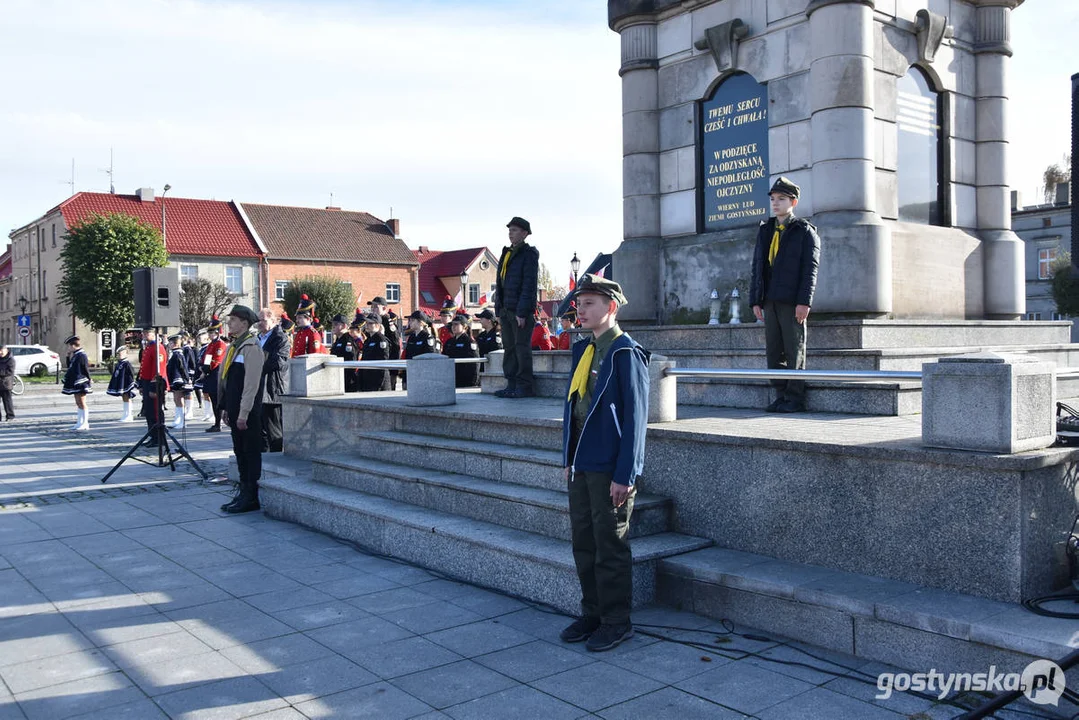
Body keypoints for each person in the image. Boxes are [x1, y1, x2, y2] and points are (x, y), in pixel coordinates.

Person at [559, 274, 650, 653]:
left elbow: (636, 419)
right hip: (582, 464)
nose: (580, 309)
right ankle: (592, 612)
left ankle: (616, 620)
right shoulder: (584, 350)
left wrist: (625, 474)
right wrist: (567, 458)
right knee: (584, 540)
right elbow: (572, 409)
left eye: (590, 303)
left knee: (610, 544)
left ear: (611, 307)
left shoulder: (626, 352)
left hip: (609, 466)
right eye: (579, 303)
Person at [749, 176, 821, 413]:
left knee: (794, 349)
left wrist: (804, 302)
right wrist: (755, 300)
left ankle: (795, 398)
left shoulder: (804, 231)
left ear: (794, 202)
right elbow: (757, 267)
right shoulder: (766, 229)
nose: (775, 203)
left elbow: (810, 270)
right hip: (769, 300)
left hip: (792, 302)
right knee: (774, 351)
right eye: (773, 199)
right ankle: (781, 395)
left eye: (781, 199)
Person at [219, 305, 266, 514]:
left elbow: (251, 385)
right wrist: (225, 408)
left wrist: (244, 412)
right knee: (239, 451)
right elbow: (228, 381)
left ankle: (251, 496)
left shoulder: (251, 348)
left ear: (245, 324)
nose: (229, 323)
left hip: (247, 413)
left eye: (233, 320)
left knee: (250, 452)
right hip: (235, 409)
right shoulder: (234, 346)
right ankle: (243, 492)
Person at [494, 216, 540, 398]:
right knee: (509, 347)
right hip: (506, 309)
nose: (510, 233)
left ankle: (524, 385)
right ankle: (511, 383)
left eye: (514, 230)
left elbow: (529, 284)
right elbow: (500, 283)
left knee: (522, 348)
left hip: (520, 311)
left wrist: (522, 312)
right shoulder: (506, 253)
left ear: (524, 233)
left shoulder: (528, 253)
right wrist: (498, 310)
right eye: (509, 230)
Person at [257, 307, 291, 453]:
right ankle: (262, 462)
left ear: (273, 321)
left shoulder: (280, 338)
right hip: (257, 390)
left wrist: (255, 367)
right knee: (259, 431)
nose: (259, 323)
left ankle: (276, 460)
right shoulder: (257, 338)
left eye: (263, 320)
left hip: (272, 390)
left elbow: (279, 361)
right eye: (258, 320)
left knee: (274, 431)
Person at [137, 328, 169, 445]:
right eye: (144, 333)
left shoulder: (158, 348)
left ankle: (159, 438)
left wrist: (152, 386)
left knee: (155, 412)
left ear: (154, 334)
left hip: (154, 383)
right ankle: (153, 436)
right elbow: (144, 367)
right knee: (149, 412)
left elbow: (158, 370)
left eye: (147, 333)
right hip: (146, 382)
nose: (144, 335)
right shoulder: (149, 347)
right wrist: (141, 384)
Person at [200, 318, 228, 431]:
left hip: (216, 374)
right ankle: (217, 423)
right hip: (209, 374)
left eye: (212, 332)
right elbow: (206, 358)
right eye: (209, 332)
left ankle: (218, 423)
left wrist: (205, 370)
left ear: (217, 332)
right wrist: (202, 368)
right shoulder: (211, 344)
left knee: (217, 400)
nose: (210, 335)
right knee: (213, 399)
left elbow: (216, 360)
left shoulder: (220, 344)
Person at [368, 296, 402, 390]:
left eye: (375, 307)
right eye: (372, 307)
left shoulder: (388, 323)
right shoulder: (372, 322)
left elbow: (395, 346)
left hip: (387, 364)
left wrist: (393, 368)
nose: (373, 309)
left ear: (384, 308)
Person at [61, 335, 93, 431]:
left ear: (73, 346)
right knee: (78, 402)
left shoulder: (82, 355)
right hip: (75, 380)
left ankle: (85, 423)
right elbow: (70, 367)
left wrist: (89, 378)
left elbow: (85, 368)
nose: (69, 348)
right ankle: (79, 422)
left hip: (81, 381)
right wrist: (67, 357)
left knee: (82, 402)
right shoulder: (75, 355)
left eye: (69, 346)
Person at [442, 314, 480, 387]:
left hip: (465, 380)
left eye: (456, 324)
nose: (453, 327)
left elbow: (475, 363)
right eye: (452, 324)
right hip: (452, 378)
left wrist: (473, 381)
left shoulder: (469, 342)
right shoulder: (449, 342)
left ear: (464, 326)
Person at [359, 314, 391, 392]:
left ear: (377, 325)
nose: (367, 325)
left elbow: (383, 361)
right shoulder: (368, 340)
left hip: (378, 379)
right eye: (366, 323)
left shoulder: (381, 340)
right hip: (368, 378)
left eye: (370, 323)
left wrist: (379, 382)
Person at [166, 334, 193, 429]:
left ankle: (182, 421)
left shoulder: (178, 354)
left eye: (171, 343)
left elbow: (183, 367)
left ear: (176, 344)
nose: (169, 345)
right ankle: (177, 419)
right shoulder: (173, 353)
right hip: (174, 379)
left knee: (179, 399)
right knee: (176, 399)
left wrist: (187, 379)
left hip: (179, 379)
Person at [106, 346, 137, 422]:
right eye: (119, 353)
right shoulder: (119, 363)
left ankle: (129, 415)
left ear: (126, 353)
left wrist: (131, 382)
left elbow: (131, 373)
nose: (120, 355)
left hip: (126, 383)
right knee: (124, 398)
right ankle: (125, 414)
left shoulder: (126, 363)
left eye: (122, 353)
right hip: (121, 383)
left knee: (127, 397)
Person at [329, 313, 359, 393]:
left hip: (347, 380)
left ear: (344, 326)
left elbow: (351, 362)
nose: (333, 326)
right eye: (332, 324)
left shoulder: (348, 341)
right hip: (338, 378)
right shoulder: (338, 341)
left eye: (336, 324)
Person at [0, 345, 15, 421]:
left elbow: (10, 371)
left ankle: (10, 416)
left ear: (6, 350)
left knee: (7, 401)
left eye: (1, 350)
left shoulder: (10, 359)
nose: (0, 352)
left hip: (6, 383)